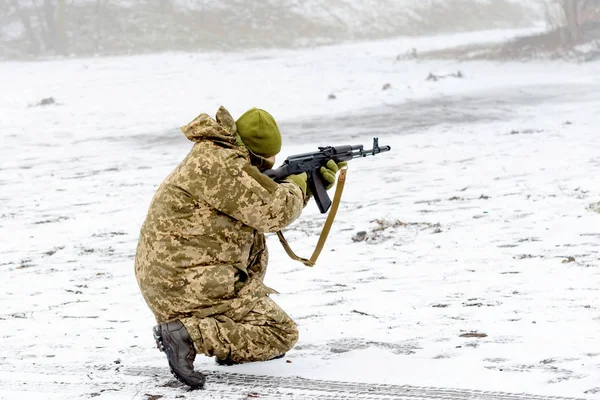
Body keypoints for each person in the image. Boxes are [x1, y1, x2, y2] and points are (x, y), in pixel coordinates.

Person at [134, 106, 344, 389]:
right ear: (256, 155)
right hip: (185, 285)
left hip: (178, 279)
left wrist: (302, 187)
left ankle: (210, 337)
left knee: (263, 329)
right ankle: (187, 335)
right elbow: (274, 213)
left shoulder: (215, 155)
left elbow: (257, 205)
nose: (268, 169)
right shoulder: (223, 167)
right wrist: (299, 184)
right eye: (267, 164)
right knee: (280, 333)